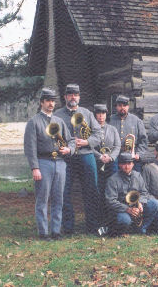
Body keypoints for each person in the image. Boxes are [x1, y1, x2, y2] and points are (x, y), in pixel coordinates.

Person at [24, 88, 74, 240]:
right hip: (43, 162)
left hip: (60, 163)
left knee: (59, 198)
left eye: (53, 101)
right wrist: (35, 168)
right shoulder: (34, 122)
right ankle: (43, 232)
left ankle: (56, 231)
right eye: (48, 101)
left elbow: (70, 140)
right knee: (43, 198)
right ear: (42, 103)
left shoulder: (59, 121)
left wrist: (69, 149)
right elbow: (30, 147)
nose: (51, 104)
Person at [54, 84, 103, 235]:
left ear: (79, 97)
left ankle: (92, 226)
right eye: (70, 94)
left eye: (76, 94)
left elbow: (99, 134)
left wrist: (86, 142)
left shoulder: (87, 113)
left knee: (91, 192)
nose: (73, 97)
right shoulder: (57, 115)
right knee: (64, 192)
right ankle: (68, 227)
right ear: (65, 97)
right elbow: (53, 137)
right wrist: (61, 147)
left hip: (86, 156)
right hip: (66, 159)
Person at [105, 152, 158, 235]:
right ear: (119, 165)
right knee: (124, 220)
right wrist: (127, 209)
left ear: (133, 164)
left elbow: (144, 192)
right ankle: (124, 230)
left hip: (137, 207)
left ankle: (142, 228)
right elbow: (111, 201)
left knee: (155, 203)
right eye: (124, 164)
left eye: (129, 163)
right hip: (122, 209)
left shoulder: (138, 175)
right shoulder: (112, 180)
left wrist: (141, 203)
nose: (127, 166)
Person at [92, 103, 121, 232]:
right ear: (95, 115)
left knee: (112, 192)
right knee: (98, 192)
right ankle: (99, 222)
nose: (101, 116)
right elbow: (89, 146)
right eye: (98, 113)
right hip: (97, 164)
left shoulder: (113, 129)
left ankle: (112, 222)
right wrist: (99, 156)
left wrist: (111, 157)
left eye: (103, 113)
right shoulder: (91, 130)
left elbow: (117, 146)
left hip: (111, 164)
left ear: (106, 114)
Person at [109, 95, 148, 173]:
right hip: (115, 156)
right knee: (113, 175)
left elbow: (143, 140)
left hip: (132, 156)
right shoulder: (110, 120)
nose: (122, 108)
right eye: (120, 105)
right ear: (116, 107)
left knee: (135, 176)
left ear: (128, 106)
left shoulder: (136, 121)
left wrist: (138, 154)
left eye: (124, 105)